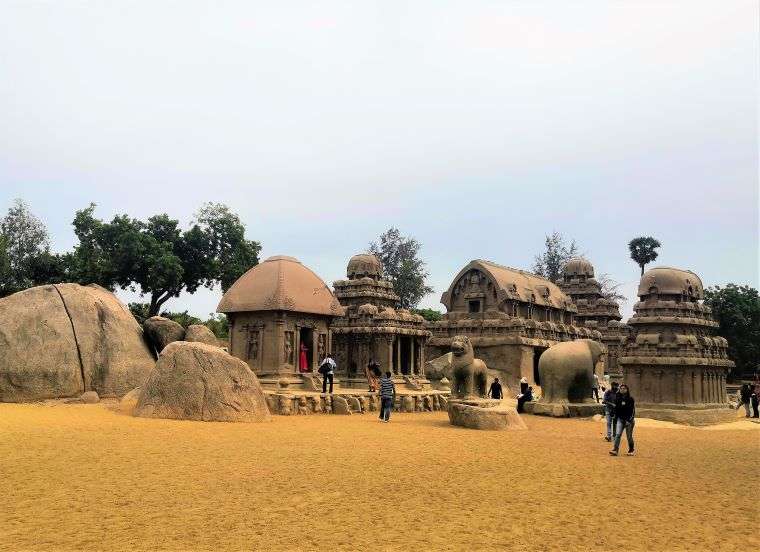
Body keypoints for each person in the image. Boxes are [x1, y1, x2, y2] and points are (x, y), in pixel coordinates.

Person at [610, 383, 635, 456]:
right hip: (620, 420)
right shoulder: (617, 398)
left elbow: (632, 411)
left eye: (624, 388)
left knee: (629, 436)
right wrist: (613, 414)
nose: (622, 390)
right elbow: (616, 409)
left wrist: (629, 420)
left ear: (627, 390)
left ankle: (631, 450)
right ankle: (615, 450)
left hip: (629, 421)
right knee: (618, 435)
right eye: (621, 388)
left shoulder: (630, 399)